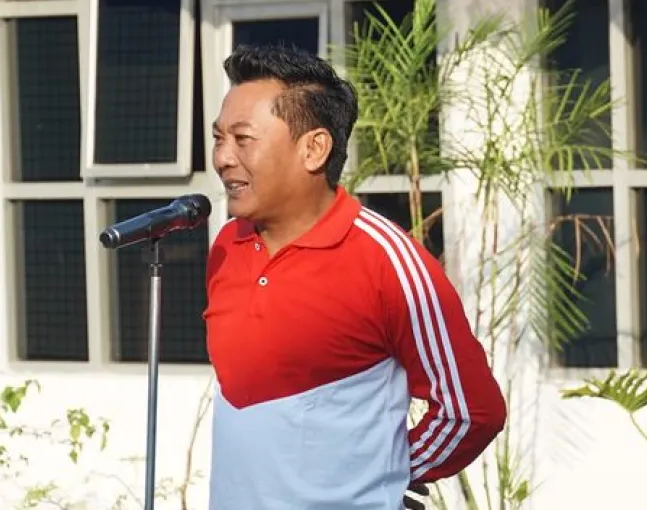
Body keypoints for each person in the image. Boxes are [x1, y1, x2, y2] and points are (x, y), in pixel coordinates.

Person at [203, 44, 508, 510]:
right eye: (218, 138)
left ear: (314, 149)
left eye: (243, 139)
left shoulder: (388, 261)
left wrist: (386, 471)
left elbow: (471, 412)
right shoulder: (227, 245)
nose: (223, 158)